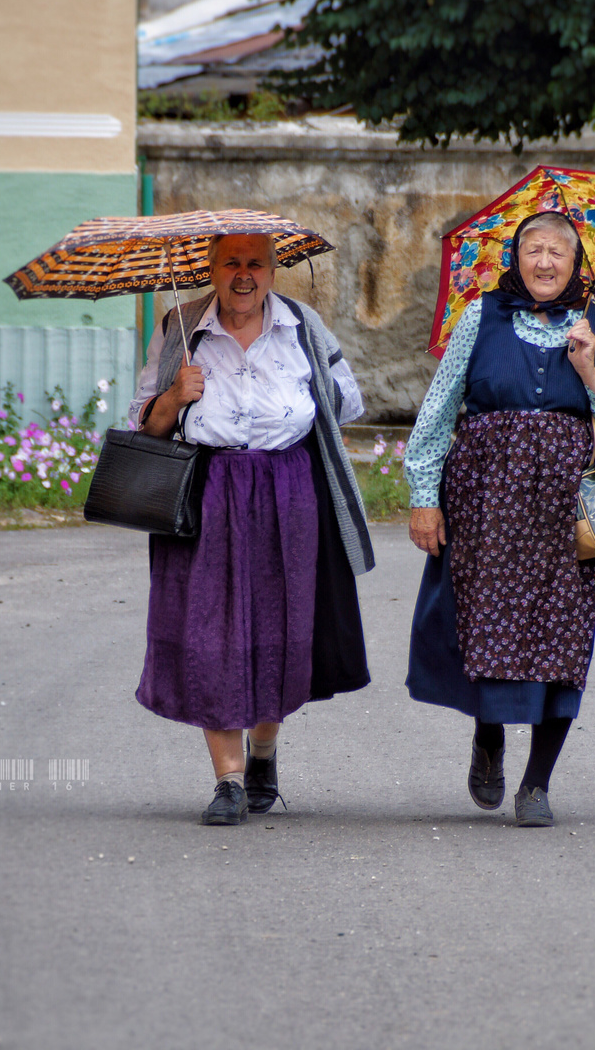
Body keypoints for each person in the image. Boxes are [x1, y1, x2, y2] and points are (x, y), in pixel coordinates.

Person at [126, 232, 374, 825]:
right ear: (210, 268)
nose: (244, 275)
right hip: (206, 492)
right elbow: (143, 423)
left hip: (289, 490)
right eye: (231, 262)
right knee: (211, 634)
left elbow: (347, 405)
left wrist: (306, 395)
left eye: (255, 264)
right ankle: (229, 781)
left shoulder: (303, 325)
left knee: (279, 630)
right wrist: (173, 399)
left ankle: (263, 754)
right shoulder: (180, 328)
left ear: (272, 270)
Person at [404, 211, 595, 827]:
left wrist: (588, 367)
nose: (544, 262)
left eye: (557, 253)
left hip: (569, 512)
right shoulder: (481, 317)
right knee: (485, 622)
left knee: (563, 634)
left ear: (575, 264)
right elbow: (437, 412)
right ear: (517, 257)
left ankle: (537, 785)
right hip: (485, 500)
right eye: (533, 249)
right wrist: (424, 495)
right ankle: (488, 735)